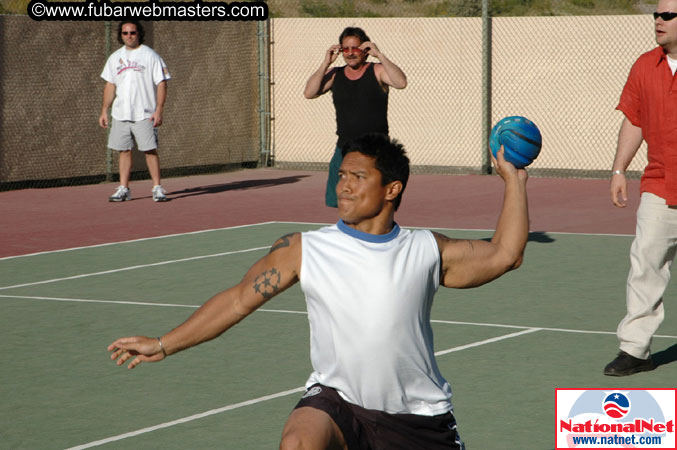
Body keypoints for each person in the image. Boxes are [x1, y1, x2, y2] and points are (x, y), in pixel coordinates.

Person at [108, 133, 529, 449]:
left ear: (392, 189)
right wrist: (164, 344)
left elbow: (506, 255)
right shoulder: (304, 249)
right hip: (339, 403)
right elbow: (238, 300)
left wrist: (514, 181)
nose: (343, 185)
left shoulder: (424, 249)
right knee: (299, 442)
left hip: (418, 420)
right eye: (341, 175)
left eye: (358, 177)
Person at [603, 0, 677, 377]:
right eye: (656, 15)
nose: (659, 21)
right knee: (645, 264)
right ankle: (635, 350)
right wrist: (619, 169)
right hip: (660, 185)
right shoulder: (644, 66)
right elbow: (634, 119)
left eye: (668, 15)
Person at [303, 27, 407, 208]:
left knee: (373, 200)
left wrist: (379, 54)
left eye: (355, 48)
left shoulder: (377, 70)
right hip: (344, 148)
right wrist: (325, 63)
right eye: (346, 49)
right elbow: (309, 93)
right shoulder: (335, 74)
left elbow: (401, 82)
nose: (350, 53)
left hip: (375, 149)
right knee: (342, 199)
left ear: (365, 50)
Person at [99, 20, 171, 203]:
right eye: (125, 33)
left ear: (139, 34)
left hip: (145, 114)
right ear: (120, 35)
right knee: (123, 151)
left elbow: (161, 83)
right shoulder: (115, 58)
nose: (129, 36)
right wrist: (104, 110)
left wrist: (158, 110)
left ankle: (157, 188)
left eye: (132, 33)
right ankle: (124, 189)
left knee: (150, 150)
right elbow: (110, 85)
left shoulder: (150, 55)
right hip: (121, 114)